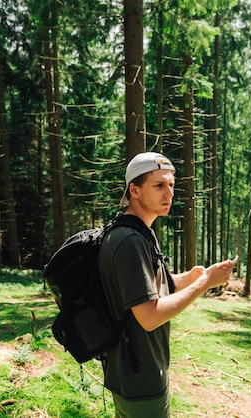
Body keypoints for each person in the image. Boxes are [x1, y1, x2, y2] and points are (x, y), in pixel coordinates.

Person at [98, 152, 234, 418]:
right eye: (159, 185)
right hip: (141, 376)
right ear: (134, 191)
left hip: (132, 370)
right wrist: (205, 283)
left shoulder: (134, 231)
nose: (169, 192)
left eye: (171, 185)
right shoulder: (130, 242)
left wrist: (186, 280)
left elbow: (139, 288)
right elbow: (148, 316)